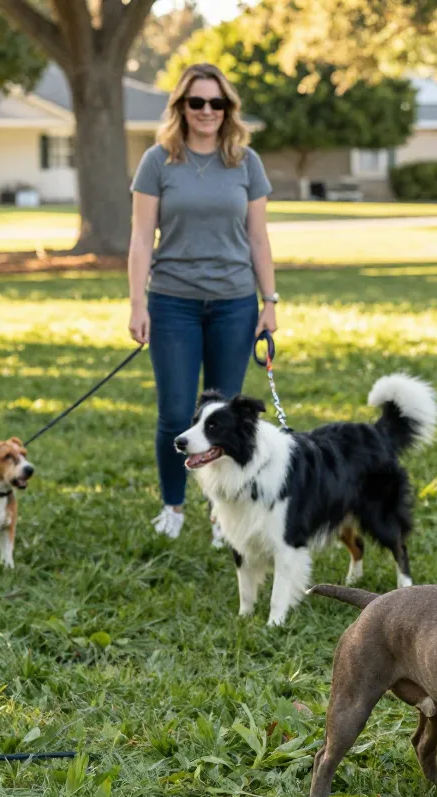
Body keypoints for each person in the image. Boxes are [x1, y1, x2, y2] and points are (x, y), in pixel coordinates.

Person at [128, 62, 280, 541]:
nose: (208, 111)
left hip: (235, 304)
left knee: (223, 422)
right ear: (181, 107)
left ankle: (221, 515)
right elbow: (139, 237)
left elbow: (258, 238)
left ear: (228, 108)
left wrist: (269, 300)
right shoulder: (158, 161)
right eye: (198, 102)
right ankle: (173, 507)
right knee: (175, 413)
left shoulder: (245, 162)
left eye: (217, 102)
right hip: (172, 301)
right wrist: (137, 303)